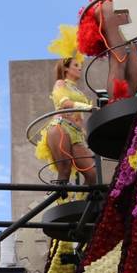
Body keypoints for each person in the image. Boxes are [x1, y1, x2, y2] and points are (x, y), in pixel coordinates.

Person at [36, 24, 97, 184]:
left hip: (76, 133)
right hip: (60, 128)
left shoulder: (79, 92)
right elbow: (64, 103)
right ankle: (59, 196)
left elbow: (80, 118)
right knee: (64, 172)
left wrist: (86, 134)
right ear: (66, 69)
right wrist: (88, 107)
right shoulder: (60, 84)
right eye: (76, 65)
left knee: (93, 174)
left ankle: (87, 199)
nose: (79, 68)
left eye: (80, 65)